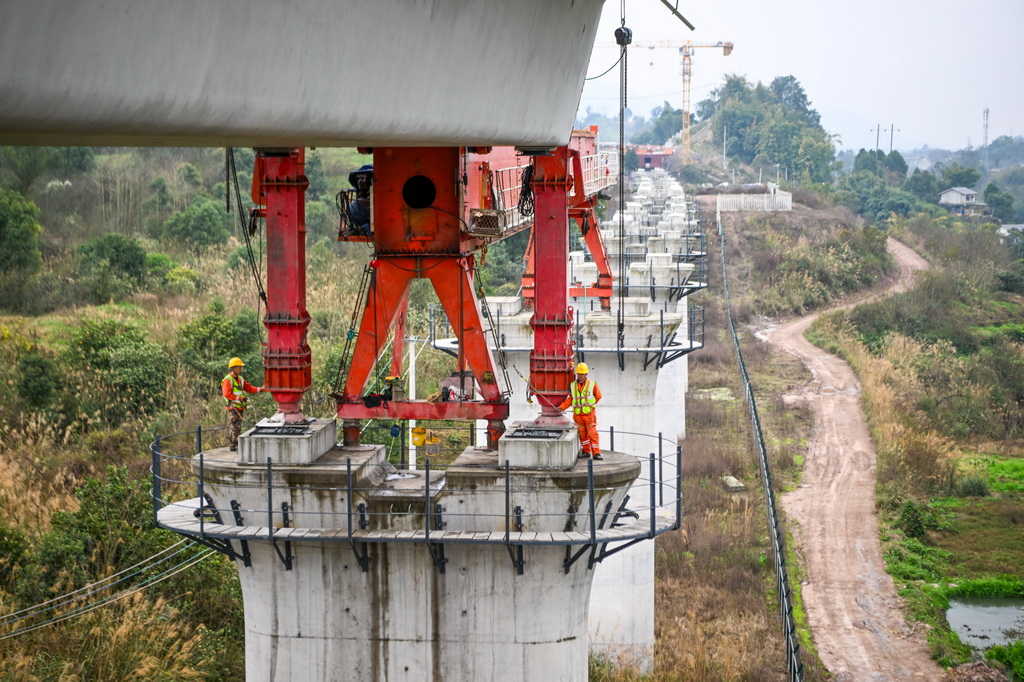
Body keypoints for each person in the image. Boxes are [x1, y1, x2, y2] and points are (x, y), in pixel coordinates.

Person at [558, 362, 603, 460]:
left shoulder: (592, 384)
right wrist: (562, 407)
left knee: (592, 434)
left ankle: (596, 453)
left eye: (582, 374)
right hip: (578, 415)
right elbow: (571, 399)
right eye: (579, 374)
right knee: (582, 434)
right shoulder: (573, 385)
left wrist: (590, 404)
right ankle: (586, 451)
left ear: (586, 374)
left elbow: (598, 396)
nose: (580, 376)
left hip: (589, 415)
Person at [222, 357, 266, 452]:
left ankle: (235, 444)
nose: (241, 369)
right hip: (233, 407)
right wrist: (240, 398)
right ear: (234, 368)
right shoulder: (227, 380)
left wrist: (261, 389)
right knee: (235, 425)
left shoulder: (240, 379)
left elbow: (249, 388)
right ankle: (233, 444)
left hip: (240, 407)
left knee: (237, 426)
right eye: (239, 367)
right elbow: (227, 394)